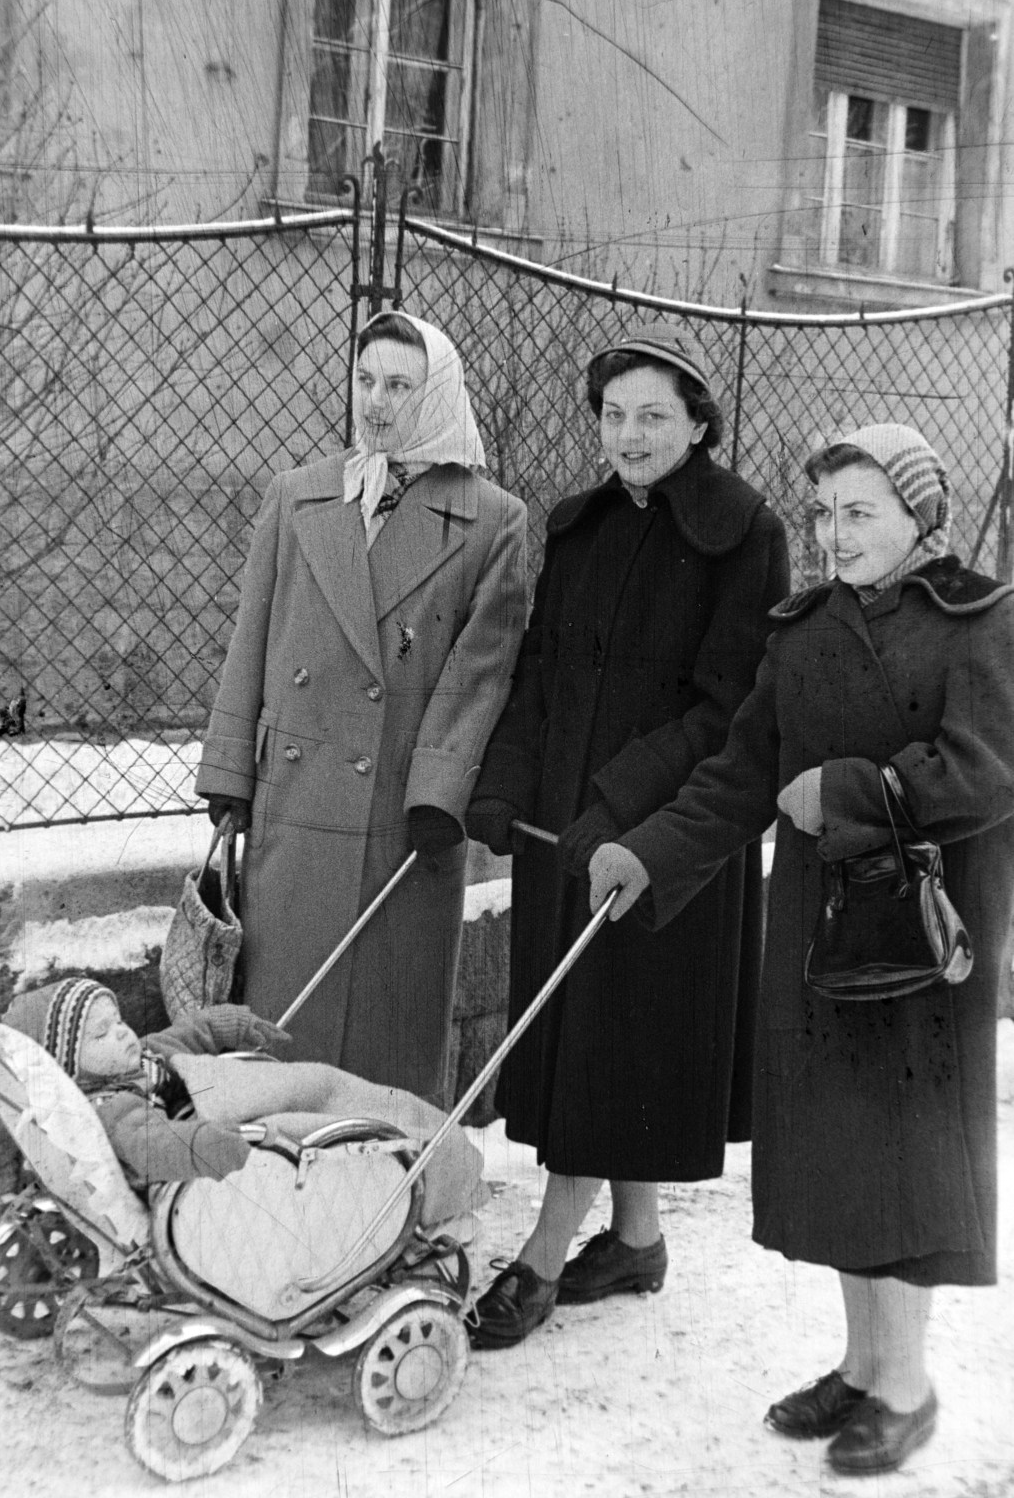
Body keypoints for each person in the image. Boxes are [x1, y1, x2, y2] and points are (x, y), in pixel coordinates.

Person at [588, 423, 1014, 1475]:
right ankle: (864, 1365)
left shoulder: (980, 621)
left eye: (859, 512)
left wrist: (852, 791)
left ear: (921, 517)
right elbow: (740, 773)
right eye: (824, 513)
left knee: (905, 1154)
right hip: (821, 930)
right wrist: (645, 853)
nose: (832, 535)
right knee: (838, 1153)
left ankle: (907, 1385)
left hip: (925, 930)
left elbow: (985, 766)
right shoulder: (802, 631)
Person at [463, 324, 790, 1348]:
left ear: (698, 423)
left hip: (673, 831)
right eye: (612, 415)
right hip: (567, 821)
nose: (629, 434)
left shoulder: (746, 532)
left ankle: (545, 1253)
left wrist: (619, 800)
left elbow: (726, 701)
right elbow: (540, 672)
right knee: (597, 1034)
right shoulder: (576, 524)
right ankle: (636, 1237)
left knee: (615, 1034)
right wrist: (502, 786)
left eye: (653, 415)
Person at [195, 312, 527, 1104]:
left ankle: (385, 1202)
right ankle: (275, 1191)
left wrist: (437, 797)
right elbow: (254, 639)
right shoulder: (298, 495)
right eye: (365, 380)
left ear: (437, 393)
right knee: (285, 1020)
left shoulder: (491, 520)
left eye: (400, 386)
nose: (376, 402)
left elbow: (481, 674)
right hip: (295, 803)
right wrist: (228, 771)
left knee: (387, 1030)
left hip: (402, 820)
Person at [1, 977, 486, 1228]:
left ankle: (445, 1152)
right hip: (239, 1134)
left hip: (239, 1102)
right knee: (332, 1116)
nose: (123, 1033)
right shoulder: (115, 1107)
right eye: (102, 1034)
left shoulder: (141, 1058)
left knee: (323, 1084)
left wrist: (228, 1025)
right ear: (71, 1065)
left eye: (119, 1019)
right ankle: (439, 1170)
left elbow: (185, 1035)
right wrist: (227, 1143)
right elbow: (157, 1146)